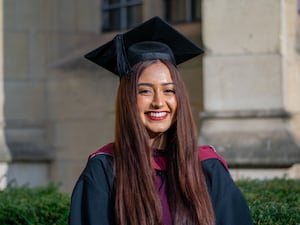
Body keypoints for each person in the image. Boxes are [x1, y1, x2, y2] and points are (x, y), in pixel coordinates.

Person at [69, 16, 253, 225]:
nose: (159, 102)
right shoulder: (105, 170)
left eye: (169, 90)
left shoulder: (208, 168)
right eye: (145, 91)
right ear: (128, 99)